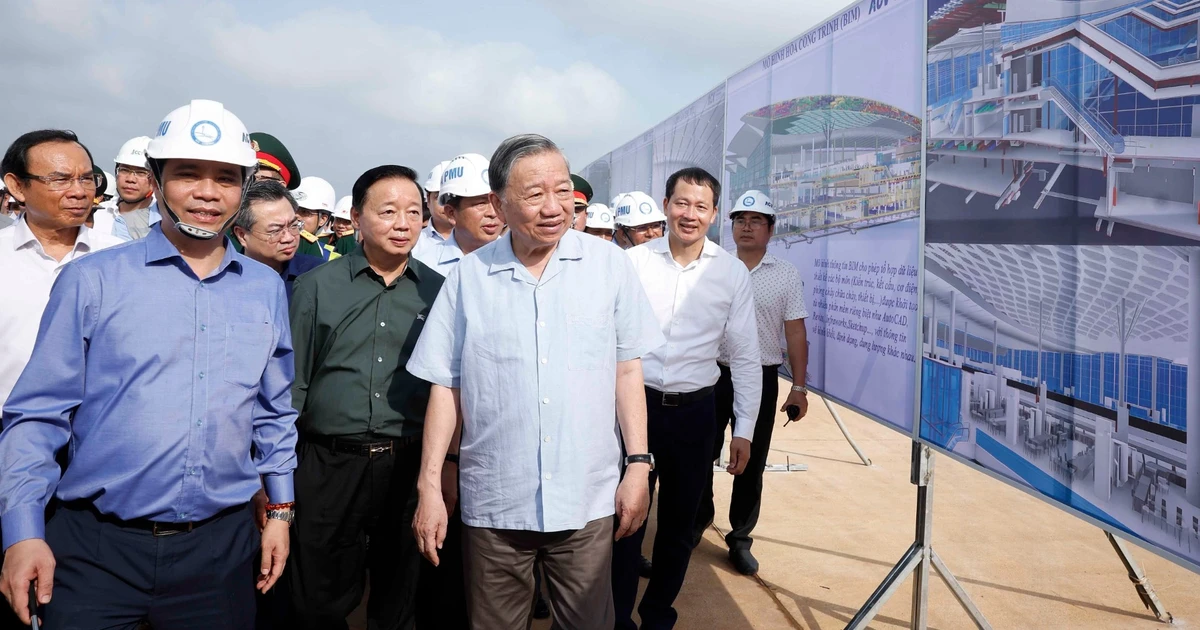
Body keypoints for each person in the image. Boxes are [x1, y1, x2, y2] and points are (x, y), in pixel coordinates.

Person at [0, 100, 298, 628]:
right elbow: (38, 415)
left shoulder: (265, 288)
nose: (208, 192)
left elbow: (273, 413)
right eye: (188, 174)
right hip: (95, 553)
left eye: (226, 178)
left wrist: (280, 511)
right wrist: (23, 533)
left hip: (220, 556)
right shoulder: (91, 280)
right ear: (157, 181)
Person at [408, 134, 663, 630]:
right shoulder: (469, 278)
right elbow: (447, 384)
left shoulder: (609, 267)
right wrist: (431, 482)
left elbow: (627, 369)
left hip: (586, 499)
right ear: (500, 203)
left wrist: (638, 465)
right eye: (534, 194)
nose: (553, 207)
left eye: (563, 190)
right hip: (495, 503)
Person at [286, 165, 445, 629]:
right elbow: (293, 383)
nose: (403, 223)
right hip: (328, 463)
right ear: (356, 216)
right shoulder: (316, 287)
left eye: (414, 212)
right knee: (318, 594)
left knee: (399, 591)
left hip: (407, 463)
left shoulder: (438, 292)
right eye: (389, 211)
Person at [613, 167, 761, 630]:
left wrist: (745, 430)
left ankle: (658, 616)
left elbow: (746, 356)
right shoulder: (633, 263)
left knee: (678, 529)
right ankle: (618, 619)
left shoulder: (731, 273)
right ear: (665, 206)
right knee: (623, 521)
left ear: (715, 213)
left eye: (701, 206)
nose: (689, 214)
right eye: (681, 203)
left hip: (697, 413)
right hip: (634, 409)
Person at [692, 189, 810, 575]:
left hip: (760, 374)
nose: (746, 226)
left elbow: (795, 333)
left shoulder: (786, 275)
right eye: (740, 220)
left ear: (770, 229)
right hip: (712, 372)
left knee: (751, 461)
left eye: (755, 220)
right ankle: (696, 522)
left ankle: (740, 538)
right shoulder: (714, 267)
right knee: (701, 452)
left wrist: (799, 387)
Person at [0, 128, 125, 410]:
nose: (79, 192)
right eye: (60, 179)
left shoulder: (119, 257)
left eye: (86, 179)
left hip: (93, 433)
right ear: (17, 186)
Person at [232, 180, 324, 303]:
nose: (289, 238)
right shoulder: (223, 278)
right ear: (242, 235)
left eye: (294, 225)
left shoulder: (317, 274)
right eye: (275, 231)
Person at [411, 153, 503, 276]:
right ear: (451, 212)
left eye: (497, 202)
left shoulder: (526, 261)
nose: (492, 213)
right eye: (480, 203)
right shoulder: (423, 267)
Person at [92, 136, 163, 240]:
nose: (130, 179)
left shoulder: (163, 221)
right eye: (124, 170)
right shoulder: (97, 214)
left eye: (141, 172)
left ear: (155, 178)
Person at [291, 176, 340, 261]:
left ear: (322, 220)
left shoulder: (330, 260)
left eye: (305, 212)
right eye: (293, 209)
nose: (296, 216)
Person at [423, 160, 453, 243]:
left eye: (456, 197)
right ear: (428, 200)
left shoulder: (485, 241)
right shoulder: (414, 245)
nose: (448, 205)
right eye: (441, 197)